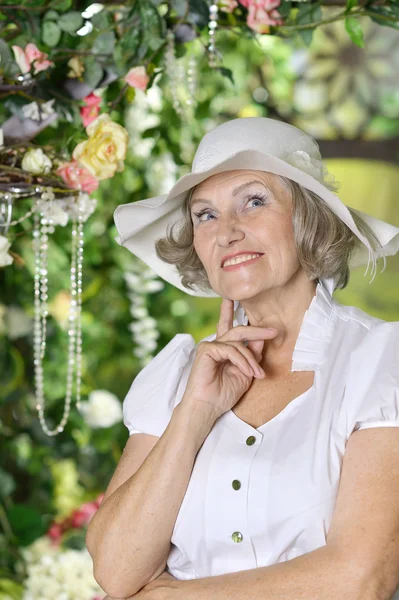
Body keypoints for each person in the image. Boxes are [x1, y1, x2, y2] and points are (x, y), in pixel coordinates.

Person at [86, 117, 399, 600]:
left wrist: (174, 596)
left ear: (308, 219)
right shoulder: (177, 379)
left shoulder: (378, 360)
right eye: (204, 215)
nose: (226, 232)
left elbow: (361, 579)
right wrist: (195, 412)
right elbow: (115, 570)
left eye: (254, 202)